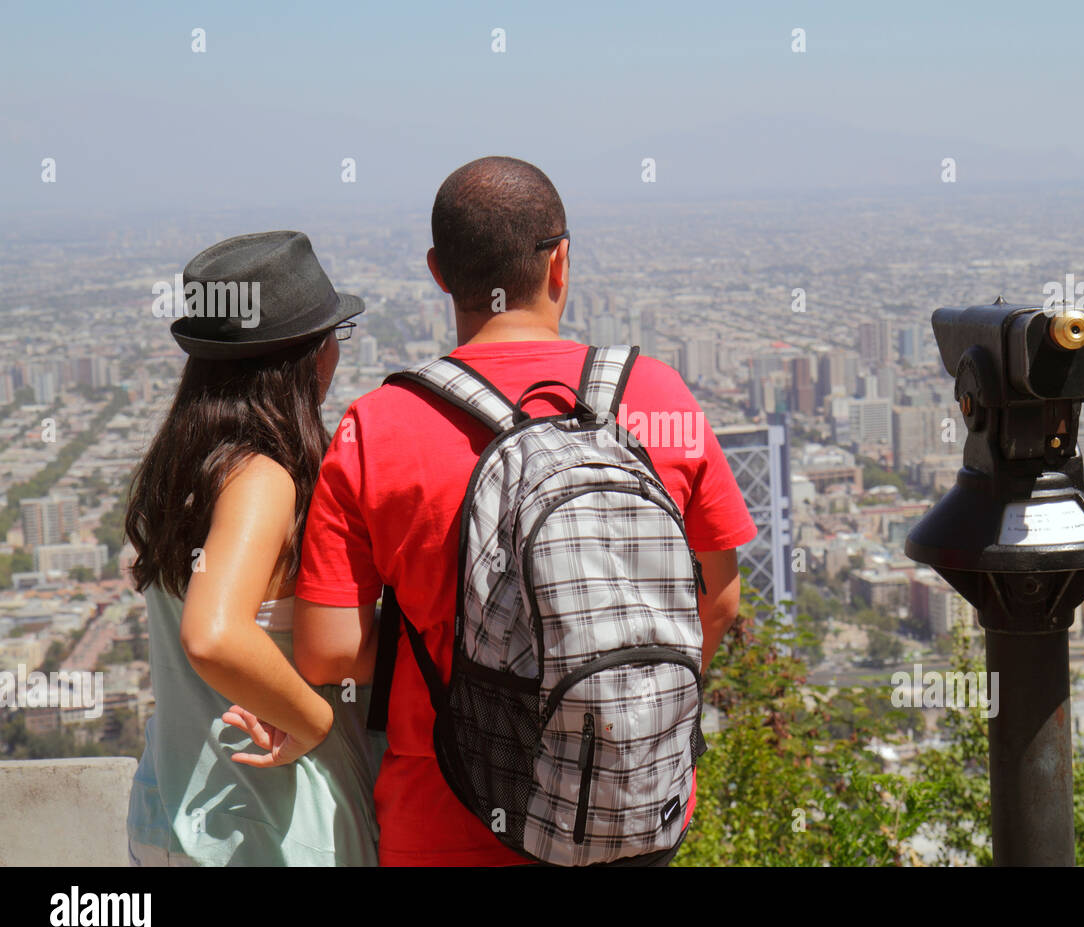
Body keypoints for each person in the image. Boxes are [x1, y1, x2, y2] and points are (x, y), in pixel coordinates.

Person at [248, 156, 757, 866]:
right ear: (562, 263)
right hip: (635, 812)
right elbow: (720, 602)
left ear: (437, 270)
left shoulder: (380, 426)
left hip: (450, 818)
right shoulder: (659, 394)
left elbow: (328, 652)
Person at [123, 230, 383, 866]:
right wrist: (315, 721)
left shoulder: (179, 467)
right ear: (305, 357)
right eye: (332, 337)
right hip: (272, 825)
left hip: (171, 812)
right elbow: (212, 635)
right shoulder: (261, 477)